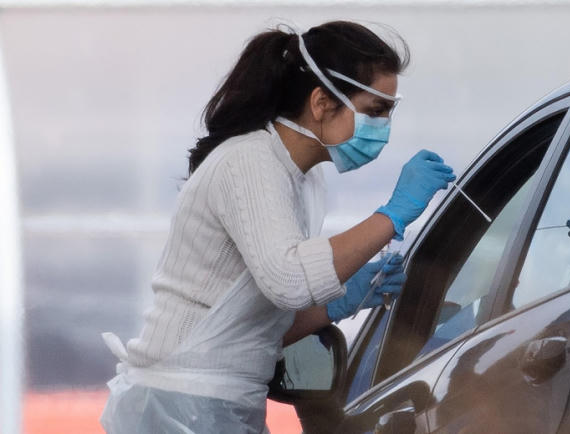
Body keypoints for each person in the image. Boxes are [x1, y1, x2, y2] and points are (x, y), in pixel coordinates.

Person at [100, 21, 456, 433]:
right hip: (185, 400)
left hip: (212, 401)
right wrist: (393, 215)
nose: (384, 129)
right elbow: (290, 280)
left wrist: (340, 302)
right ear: (321, 102)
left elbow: (254, 323)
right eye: (376, 111)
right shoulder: (249, 162)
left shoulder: (300, 179)